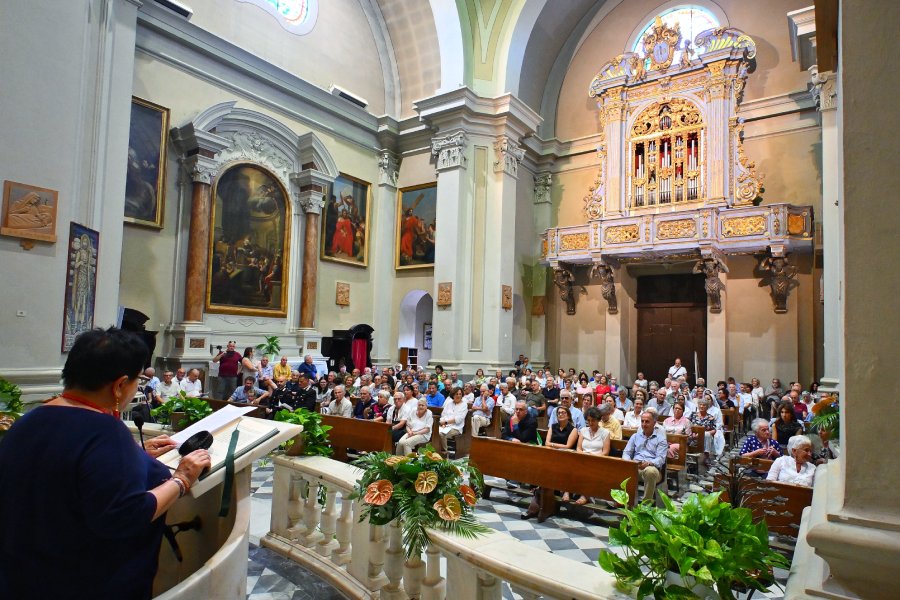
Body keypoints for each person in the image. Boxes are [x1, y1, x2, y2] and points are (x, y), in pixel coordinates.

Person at [0, 328, 211, 599]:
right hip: (79, 581)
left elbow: (65, 468)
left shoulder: (31, 419)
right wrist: (182, 479)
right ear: (120, 385)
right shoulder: (105, 430)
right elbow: (125, 514)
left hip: (21, 574)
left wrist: (136, 455)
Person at [623, 411, 669, 503]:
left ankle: (646, 504)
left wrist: (649, 463)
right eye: (642, 421)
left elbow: (661, 459)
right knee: (618, 467)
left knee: (650, 471)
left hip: (653, 469)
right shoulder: (635, 436)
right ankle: (623, 501)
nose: (644, 424)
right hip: (635, 467)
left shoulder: (661, 440)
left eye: (647, 421)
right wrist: (629, 462)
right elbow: (626, 452)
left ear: (654, 423)